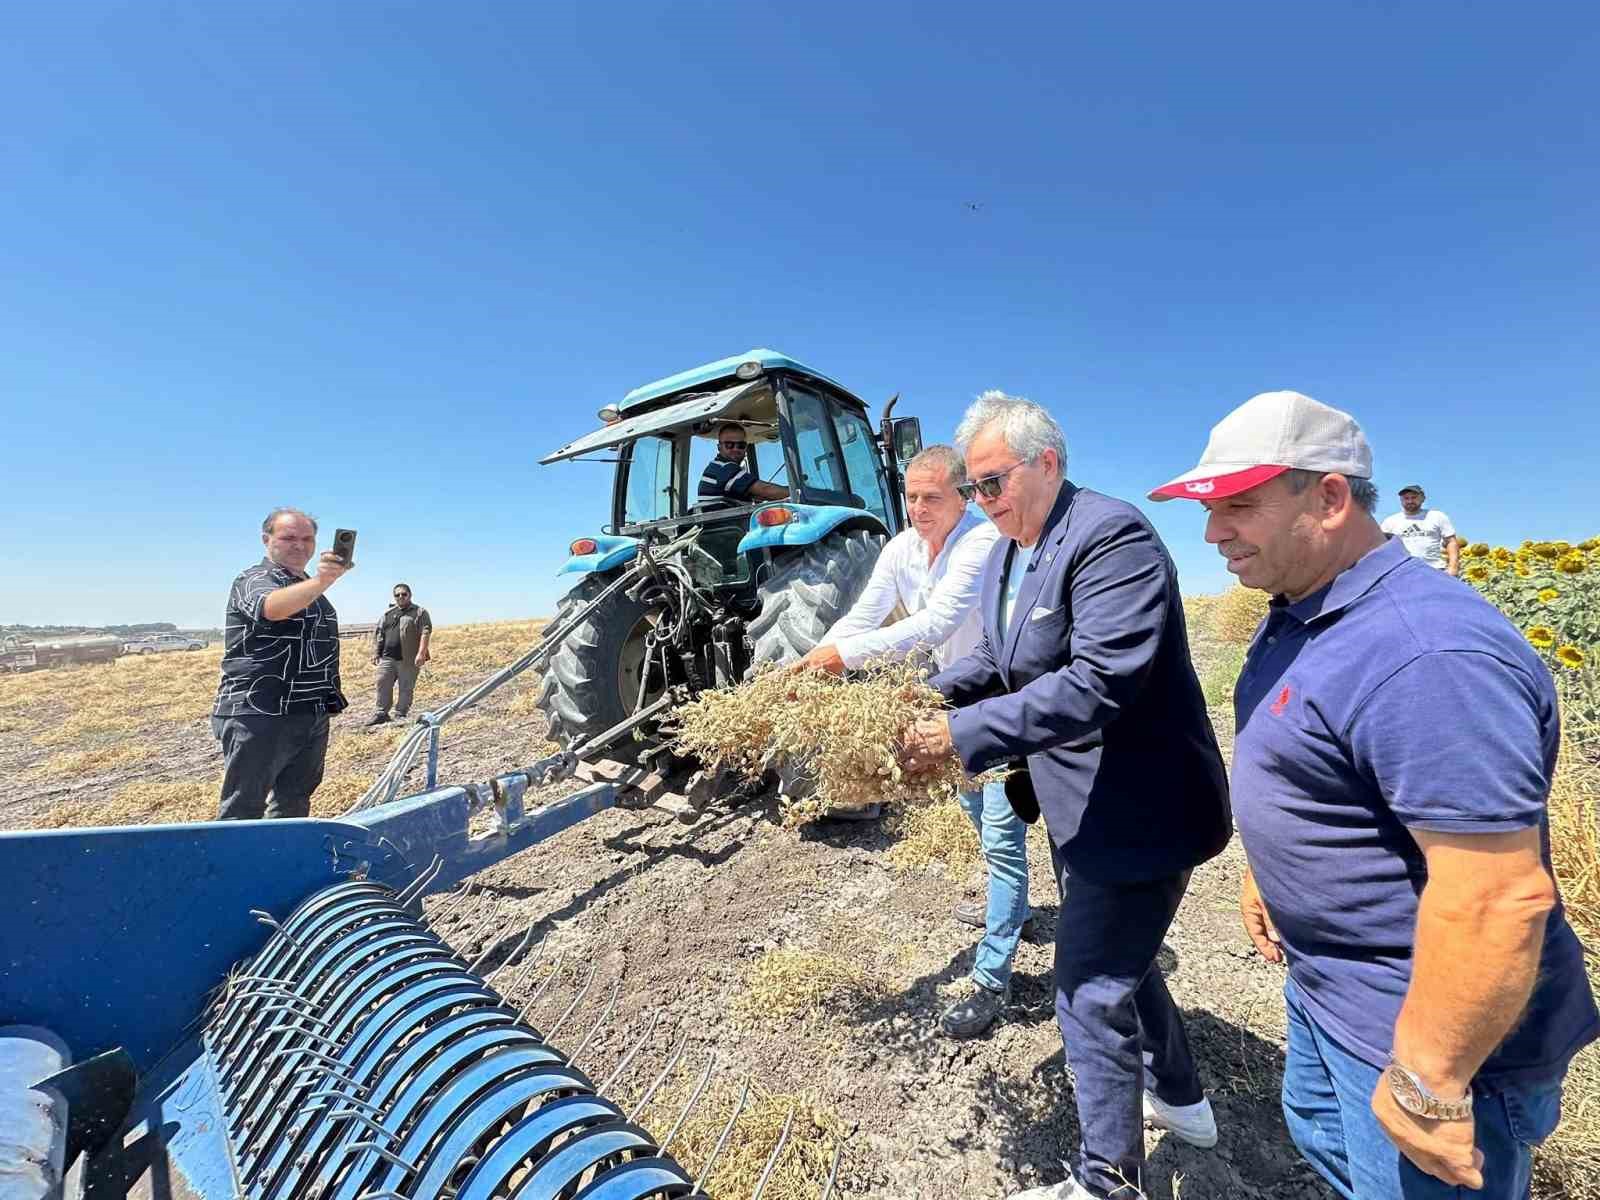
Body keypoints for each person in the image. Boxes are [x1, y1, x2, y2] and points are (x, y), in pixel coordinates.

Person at [1151, 390, 1598, 1199]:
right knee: (1327, 1149)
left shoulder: (1427, 653)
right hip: (1331, 996)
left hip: (1428, 1036)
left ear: (1327, 497)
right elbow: (1321, 768)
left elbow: (1497, 897)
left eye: (1239, 506)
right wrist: (1270, 867)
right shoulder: (1305, 608)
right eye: (1212, 509)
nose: (1213, 534)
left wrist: (1428, 1082)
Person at [900, 393, 1231, 1200]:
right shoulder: (1018, 551)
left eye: (991, 483)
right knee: (1123, 961)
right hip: (1078, 804)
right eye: (972, 489)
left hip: (1139, 806)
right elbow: (1007, 664)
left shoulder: (1110, 537)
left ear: (1046, 461)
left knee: (1085, 991)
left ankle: (1106, 1183)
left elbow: (1100, 681)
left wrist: (962, 737)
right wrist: (926, 698)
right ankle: (1185, 1106)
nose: (982, 502)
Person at [797, 444, 1024, 1038]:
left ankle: (992, 975)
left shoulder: (981, 542)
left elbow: (938, 622)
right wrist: (813, 657)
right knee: (977, 813)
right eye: (910, 496)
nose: (918, 509)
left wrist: (841, 657)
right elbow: (865, 613)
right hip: (943, 697)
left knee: (1002, 831)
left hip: (995, 696)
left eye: (931, 498)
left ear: (962, 496)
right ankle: (1011, 906)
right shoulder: (901, 548)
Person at [212, 507, 350, 819]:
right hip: (261, 712)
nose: (299, 545)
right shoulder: (254, 578)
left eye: (307, 538)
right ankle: (235, 867)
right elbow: (271, 607)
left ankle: (281, 865)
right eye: (288, 537)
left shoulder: (307, 587)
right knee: (243, 809)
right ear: (267, 539)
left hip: (308, 712)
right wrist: (323, 579)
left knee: (294, 802)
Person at [368, 583, 433, 725]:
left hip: (408, 658)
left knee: (406, 686)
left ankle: (400, 714)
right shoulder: (388, 614)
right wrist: (375, 652)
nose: (400, 597)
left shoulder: (419, 612)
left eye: (404, 594)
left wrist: (421, 653)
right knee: (382, 683)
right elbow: (380, 633)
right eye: (397, 595)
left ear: (410, 595)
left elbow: (425, 632)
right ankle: (381, 713)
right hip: (387, 658)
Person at [696, 422, 788, 508]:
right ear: (719, 447)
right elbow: (765, 490)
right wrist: (798, 491)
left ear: (746, 448)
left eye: (741, 445)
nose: (736, 449)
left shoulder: (718, 468)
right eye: (729, 445)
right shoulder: (725, 468)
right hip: (729, 524)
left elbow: (760, 495)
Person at [1380, 484, 1460, 575]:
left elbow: (1451, 542)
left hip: (1434, 569)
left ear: (1423, 498)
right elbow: (1381, 547)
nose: (1410, 501)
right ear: (1401, 500)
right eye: (1406, 498)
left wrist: (1453, 567)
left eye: (1414, 498)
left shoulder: (1436, 516)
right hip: (1402, 572)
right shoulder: (1390, 521)